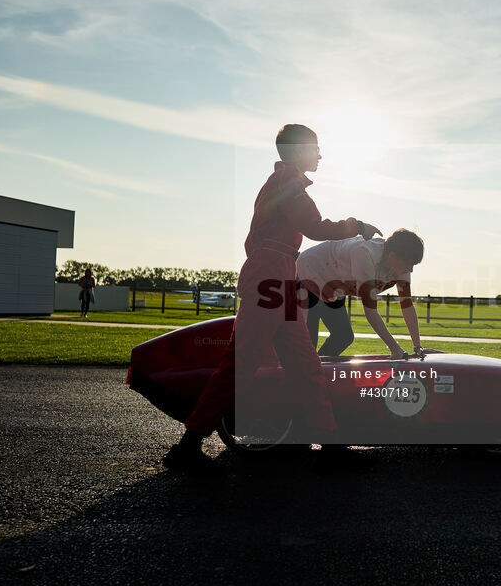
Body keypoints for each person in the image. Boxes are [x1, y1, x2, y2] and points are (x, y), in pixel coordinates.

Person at [163, 124, 381, 472]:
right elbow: (315, 227)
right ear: (297, 151)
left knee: (305, 362)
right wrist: (357, 226)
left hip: (281, 274)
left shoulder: (286, 182)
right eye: (316, 149)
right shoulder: (287, 184)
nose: (321, 155)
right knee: (241, 364)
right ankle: (187, 447)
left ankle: (330, 442)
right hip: (269, 272)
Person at [297, 229, 424, 359]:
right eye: (409, 264)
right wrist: (395, 348)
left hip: (334, 285)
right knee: (307, 341)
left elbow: (407, 305)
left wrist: (417, 346)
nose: (411, 269)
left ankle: (317, 370)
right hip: (309, 272)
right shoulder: (365, 253)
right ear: (393, 256)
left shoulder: (400, 268)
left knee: (343, 336)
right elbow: (370, 311)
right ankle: (306, 371)